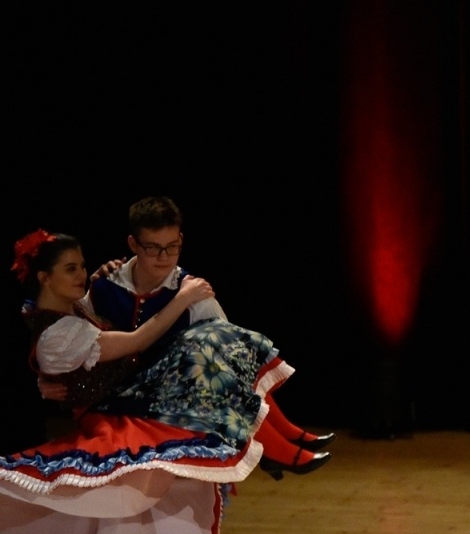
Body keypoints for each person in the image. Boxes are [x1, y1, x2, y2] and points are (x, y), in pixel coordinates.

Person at [2, 231, 295, 534]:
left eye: (83, 266)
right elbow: (132, 342)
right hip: (111, 446)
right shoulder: (57, 332)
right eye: (71, 268)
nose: (83, 273)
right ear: (44, 277)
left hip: (159, 433)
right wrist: (182, 299)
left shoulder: (83, 302)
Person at [89, 196, 332, 474]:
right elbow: (71, 337)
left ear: (181, 240)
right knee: (207, 350)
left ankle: (283, 437)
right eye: (153, 248)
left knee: (219, 346)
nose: (164, 257)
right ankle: (279, 447)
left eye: (172, 247)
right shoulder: (106, 285)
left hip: (180, 388)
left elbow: (228, 348)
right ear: (133, 244)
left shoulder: (189, 286)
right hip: (127, 391)